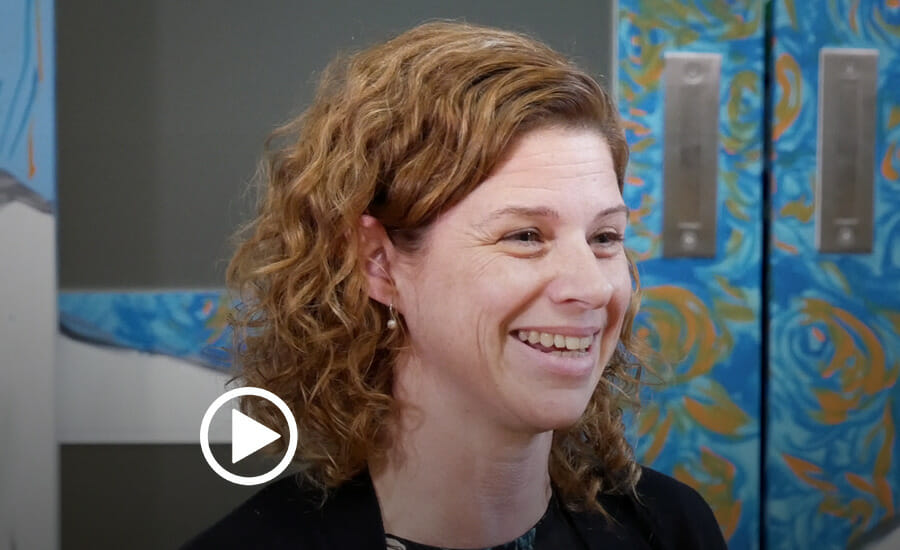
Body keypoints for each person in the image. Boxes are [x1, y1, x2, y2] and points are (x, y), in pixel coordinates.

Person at [184, 21, 727, 550]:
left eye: (605, 237)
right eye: (525, 235)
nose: (593, 287)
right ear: (378, 263)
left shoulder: (672, 528)